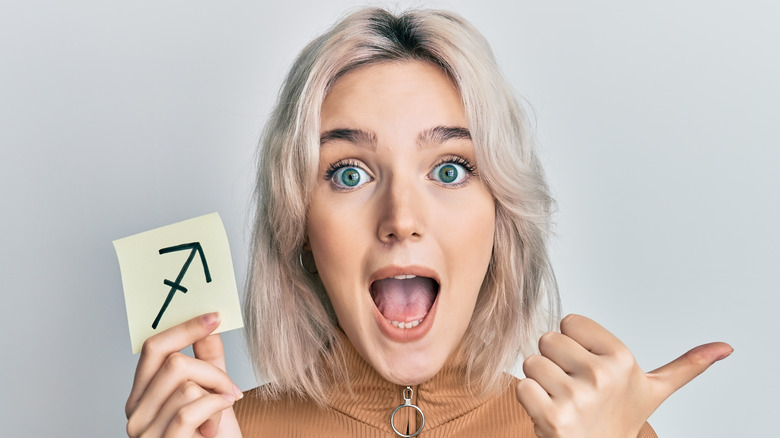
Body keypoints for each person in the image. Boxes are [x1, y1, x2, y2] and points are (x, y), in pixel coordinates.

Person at [124, 7, 732, 437]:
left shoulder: (605, 434)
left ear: (502, 217)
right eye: (349, 173)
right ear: (299, 227)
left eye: (448, 170)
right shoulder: (215, 434)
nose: (402, 220)